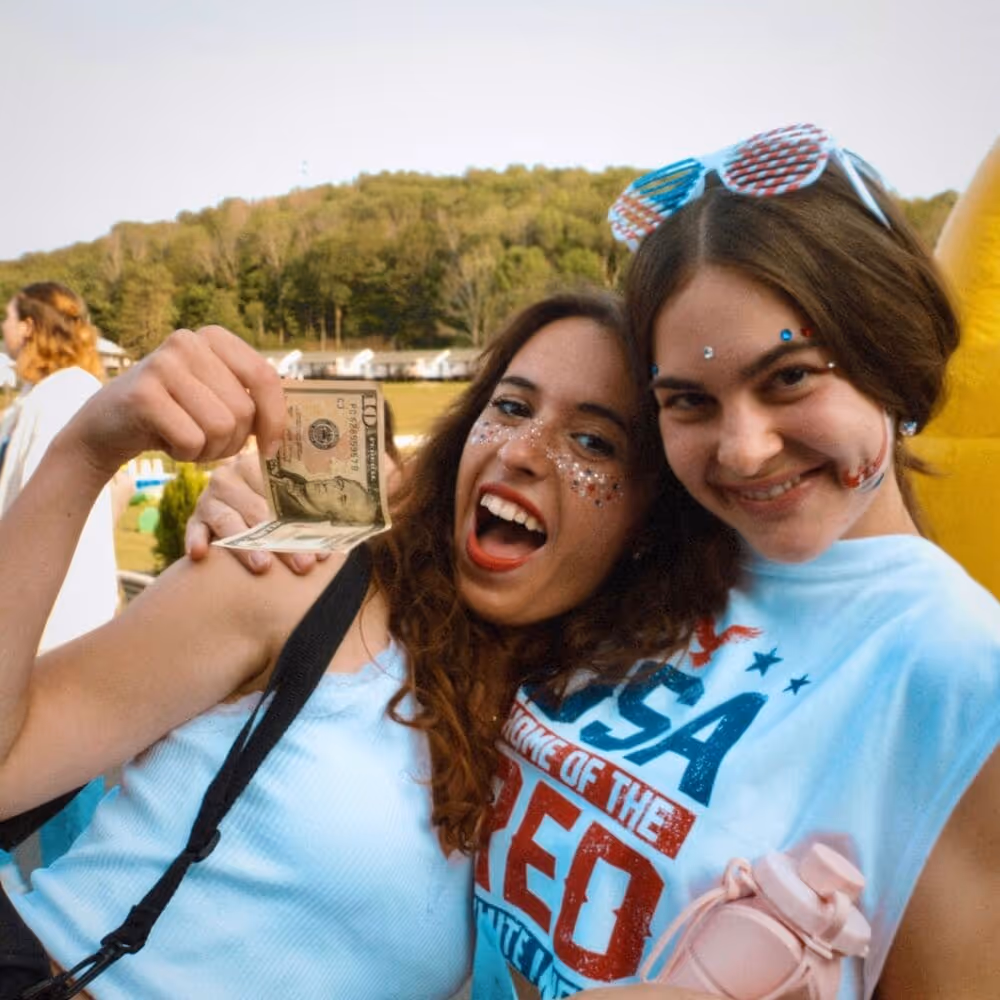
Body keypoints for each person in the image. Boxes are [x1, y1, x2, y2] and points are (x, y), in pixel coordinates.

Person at [190, 126, 1000, 1000]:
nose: (744, 449)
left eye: (791, 377)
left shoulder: (963, 672)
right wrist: (278, 499)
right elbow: (468, 498)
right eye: (687, 400)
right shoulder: (665, 551)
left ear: (890, 352)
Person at [0, 292, 718, 999]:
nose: (523, 452)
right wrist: (85, 452)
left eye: (594, 442)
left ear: (649, 527)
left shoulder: (593, 742)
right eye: (511, 406)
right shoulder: (308, 577)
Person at [0, 283, 119, 882]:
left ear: (28, 328)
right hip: (74, 625)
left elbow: (24, 518)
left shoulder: (57, 401)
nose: (4, 326)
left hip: (48, 634)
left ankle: (54, 955)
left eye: (8, 316)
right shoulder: (72, 396)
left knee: (59, 809)